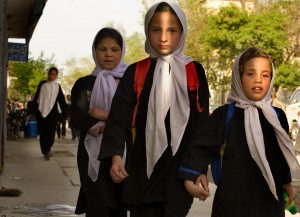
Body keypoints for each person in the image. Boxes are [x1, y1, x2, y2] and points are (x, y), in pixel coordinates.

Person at [98, 2, 210, 217]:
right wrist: (115, 156)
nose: (163, 37)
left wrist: (198, 170)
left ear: (182, 32)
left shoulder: (193, 71)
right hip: (141, 171)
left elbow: (202, 125)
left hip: (179, 172)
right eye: (156, 29)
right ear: (147, 31)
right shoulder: (136, 71)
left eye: (172, 30)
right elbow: (118, 119)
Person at [179, 46, 300, 217]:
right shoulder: (226, 114)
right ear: (238, 77)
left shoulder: (277, 116)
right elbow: (201, 147)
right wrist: (190, 177)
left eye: (265, 75)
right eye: (250, 74)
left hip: (269, 200)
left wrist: (286, 181)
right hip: (233, 201)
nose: (258, 80)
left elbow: (281, 155)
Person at [70, 27, 128, 217]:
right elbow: (78, 116)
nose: (109, 54)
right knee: (98, 205)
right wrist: (110, 122)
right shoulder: (85, 83)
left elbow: (133, 115)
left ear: (122, 51)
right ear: (95, 51)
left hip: (122, 152)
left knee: (119, 205)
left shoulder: (130, 82)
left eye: (114, 49)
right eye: (103, 49)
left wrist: (102, 115)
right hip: (91, 153)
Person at [33, 66, 67, 160]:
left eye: (54, 75)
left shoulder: (57, 86)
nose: (51, 76)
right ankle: (45, 151)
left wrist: (65, 114)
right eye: (50, 74)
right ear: (48, 74)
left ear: (56, 76)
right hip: (41, 112)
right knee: (42, 132)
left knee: (51, 133)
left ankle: (48, 148)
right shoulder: (42, 84)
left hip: (52, 113)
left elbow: (61, 100)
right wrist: (33, 110)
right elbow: (37, 97)